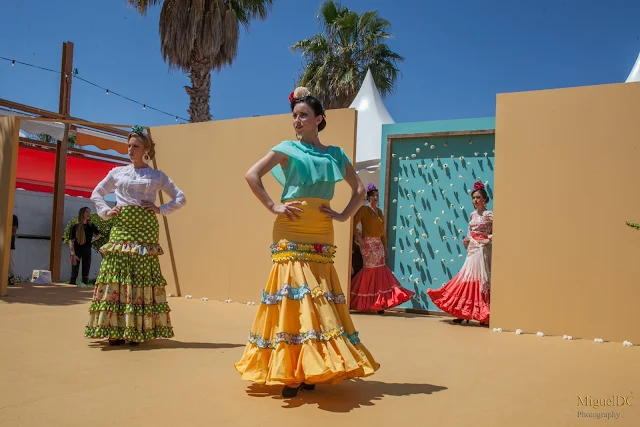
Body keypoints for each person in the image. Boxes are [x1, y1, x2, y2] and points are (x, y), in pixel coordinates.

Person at [235, 87, 379, 398]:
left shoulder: (336, 154)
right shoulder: (286, 148)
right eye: (295, 116)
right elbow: (252, 175)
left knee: (317, 297)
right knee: (293, 295)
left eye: (303, 116)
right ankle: (290, 369)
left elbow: (359, 191)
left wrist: (342, 216)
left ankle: (313, 366)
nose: (297, 121)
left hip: (321, 229)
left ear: (319, 120)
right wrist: (273, 206)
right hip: (291, 227)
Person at [87, 125, 186, 346]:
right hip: (122, 226)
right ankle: (114, 329)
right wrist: (106, 211)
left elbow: (180, 198)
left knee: (140, 275)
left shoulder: (156, 175)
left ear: (146, 149)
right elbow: (97, 192)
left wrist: (160, 209)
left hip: (145, 229)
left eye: (135, 146)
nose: (130, 150)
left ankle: (137, 328)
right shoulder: (117, 172)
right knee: (116, 272)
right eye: (128, 146)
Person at [427, 182, 493, 325]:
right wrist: (467, 239)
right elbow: (470, 231)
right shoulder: (472, 214)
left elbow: (499, 229)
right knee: (468, 278)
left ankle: (482, 314)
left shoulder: (489, 215)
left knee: (482, 280)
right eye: (473, 198)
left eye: (478, 197)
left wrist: (488, 240)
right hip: (472, 249)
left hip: (482, 251)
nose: (475, 200)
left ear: (485, 200)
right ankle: (463, 311)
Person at [350, 183, 415, 314]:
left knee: (380, 272)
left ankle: (380, 302)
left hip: (378, 244)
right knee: (370, 271)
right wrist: (359, 238)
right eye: (373, 196)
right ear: (368, 197)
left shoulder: (379, 212)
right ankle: (366, 301)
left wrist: (385, 246)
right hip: (368, 244)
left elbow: (382, 232)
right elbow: (352, 223)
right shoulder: (364, 210)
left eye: (377, 196)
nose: (375, 198)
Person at [68, 207, 101, 286]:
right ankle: (71, 287)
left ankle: (84, 284)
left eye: (89, 212)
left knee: (86, 270)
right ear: (82, 213)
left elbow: (99, 234)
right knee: (74, 272)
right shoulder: (75, 226)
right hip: (77, 250)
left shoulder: (91, 225)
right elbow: (70, 240)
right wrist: (72, 253)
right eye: (86, 212)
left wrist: (90, 241)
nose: (88, 214)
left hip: (87, 250)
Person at [8, 214, 18, 282]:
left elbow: (14, 230)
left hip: (10, 245)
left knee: (11, 265)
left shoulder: (13, 217)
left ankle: (11, 279)